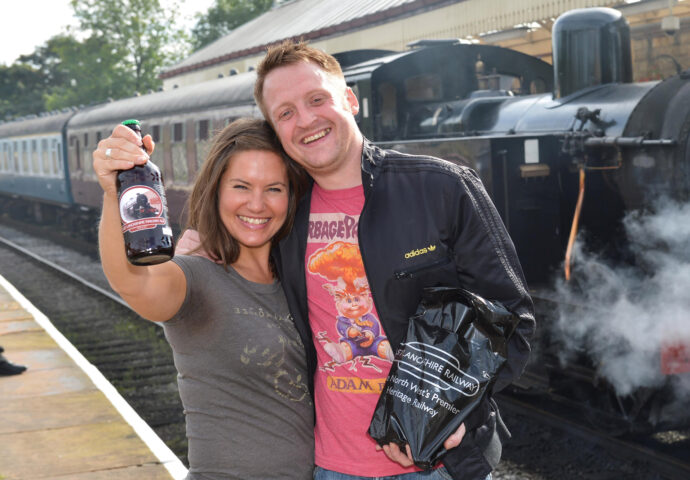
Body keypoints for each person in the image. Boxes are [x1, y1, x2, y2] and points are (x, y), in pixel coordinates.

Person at [251, 41, 536, 480]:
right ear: (275, 128)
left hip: (439, 464)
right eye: (285, 112)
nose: (305, 119)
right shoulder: (283, 214)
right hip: (329, 466)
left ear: (350, 100)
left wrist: (454, 415)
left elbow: (511, 321)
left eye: (316, 99)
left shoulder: (441, 188)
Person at [92, 118, 314, 480]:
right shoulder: (196, 279)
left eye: (274, 188)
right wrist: (112, 192)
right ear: (216, 190)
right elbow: (135, 282)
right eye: (241, 186)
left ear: (292, 197)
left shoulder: (300, 279)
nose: (256, 204)